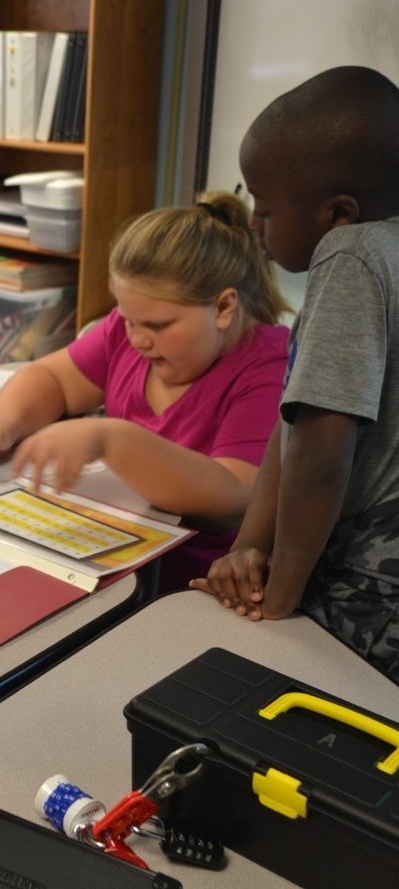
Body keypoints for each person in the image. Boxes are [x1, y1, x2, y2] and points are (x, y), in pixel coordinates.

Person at [0, 194, 291, 591]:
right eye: (128, 319)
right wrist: (4, 425)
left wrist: (111, 440)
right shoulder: (126, 332)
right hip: (112, 559)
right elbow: (53, 379)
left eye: (158, 325)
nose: (139, 339)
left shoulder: (268, 364)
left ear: (223, 308)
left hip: (192, 588)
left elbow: (235, 499)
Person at [191, 66, 399, 680]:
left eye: (267, 209)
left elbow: (322, 441)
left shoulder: (351, 255)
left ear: (338, 213)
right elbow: (297, 416)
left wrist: (277, 594)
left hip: (366, 585)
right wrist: (246, 547)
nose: (255, 224)